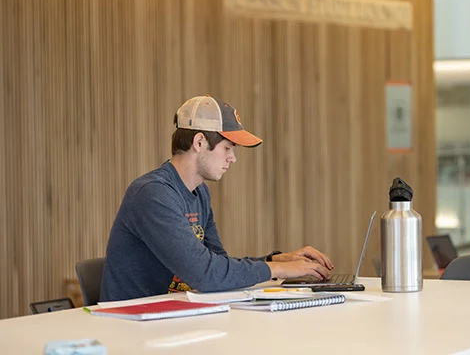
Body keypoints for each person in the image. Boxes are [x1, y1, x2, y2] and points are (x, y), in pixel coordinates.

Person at [100, 95, 334, 301]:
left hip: (174, 317)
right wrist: (277, 270)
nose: (233, 158)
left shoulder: (200, 192)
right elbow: (206, 275)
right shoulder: (153, 194)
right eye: (228, 148)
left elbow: (217, 266)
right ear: (199, 142)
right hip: (133, 323)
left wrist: (277, 260)